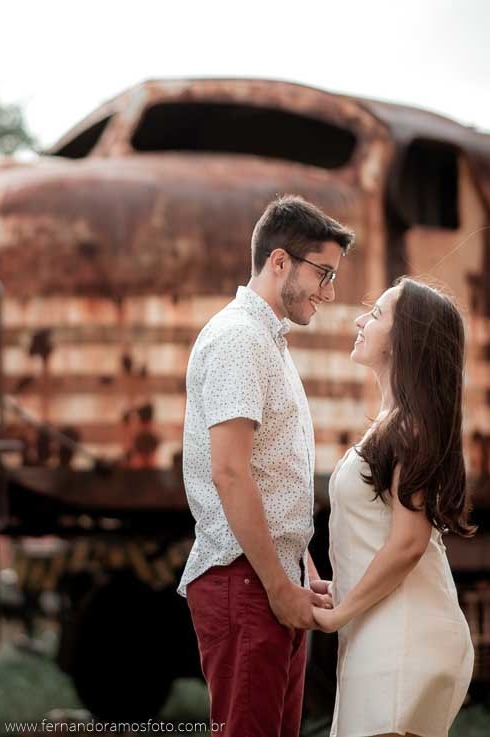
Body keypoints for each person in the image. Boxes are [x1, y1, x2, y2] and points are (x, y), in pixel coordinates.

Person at [178, 195, 355, 737]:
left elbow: (268, 471)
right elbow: (229, 473)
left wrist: (300, 566)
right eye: (323, 273)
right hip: (246, 581)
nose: (329, 291)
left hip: (268, 578)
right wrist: (279, 586)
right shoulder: (239, 340)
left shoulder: (265, 340)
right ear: (280, 262)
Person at [314, 277, 477, 737]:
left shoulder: (409, 428)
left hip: (403, 635)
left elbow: (408, 544)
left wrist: (340, 612)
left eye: (377, 314)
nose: (360, 321)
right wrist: (339, 588)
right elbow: (378, 535)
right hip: (383, 629)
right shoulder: (395, 424)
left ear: (404, 340)